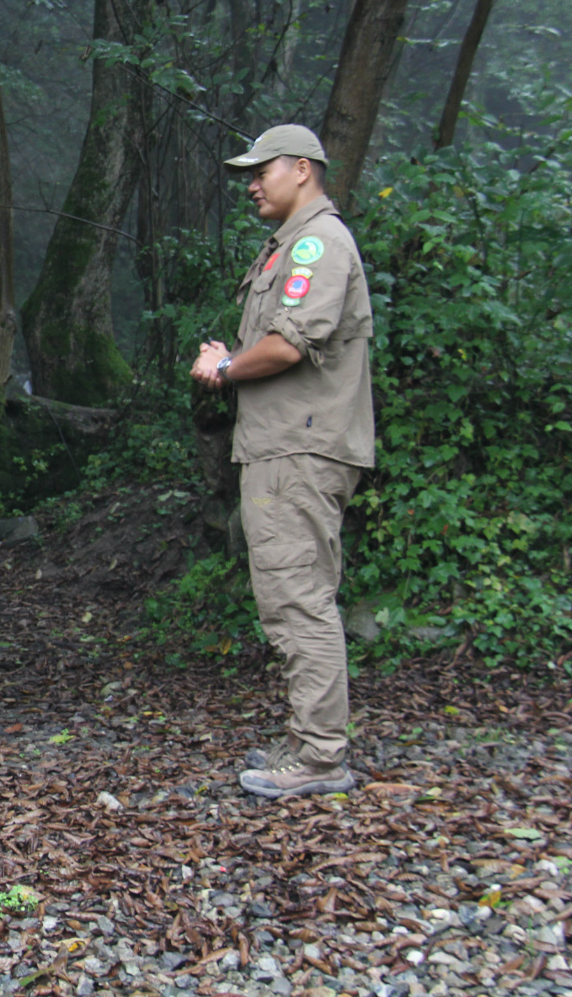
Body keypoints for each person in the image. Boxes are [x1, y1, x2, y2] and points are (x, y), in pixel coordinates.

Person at [190, 124, 374, 799]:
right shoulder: (290, 246)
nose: (252, 182)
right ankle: (309, 740)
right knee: (293, 598)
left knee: (299, 601)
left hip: (300, 449)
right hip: (282, 446)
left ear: (303, 169)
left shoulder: (317, 244)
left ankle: (321, 759)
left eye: (262, 169)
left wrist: (225, 365)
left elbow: (289, 346)